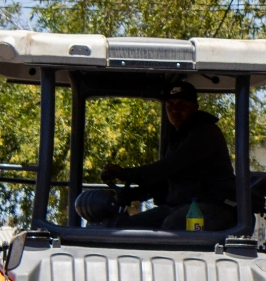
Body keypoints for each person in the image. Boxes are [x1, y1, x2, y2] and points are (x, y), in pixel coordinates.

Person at [100, 81, 237, 231]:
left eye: (181, 105)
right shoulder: (175, 138)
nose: (175, 111)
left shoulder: (205, 133)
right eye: (170, 105)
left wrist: (126, 174)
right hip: (179, 207)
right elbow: (164, 182)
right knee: (127, 228)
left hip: (213, 207)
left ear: (195, 107)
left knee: (171, 228)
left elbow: (168, 167)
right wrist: (134, 194)